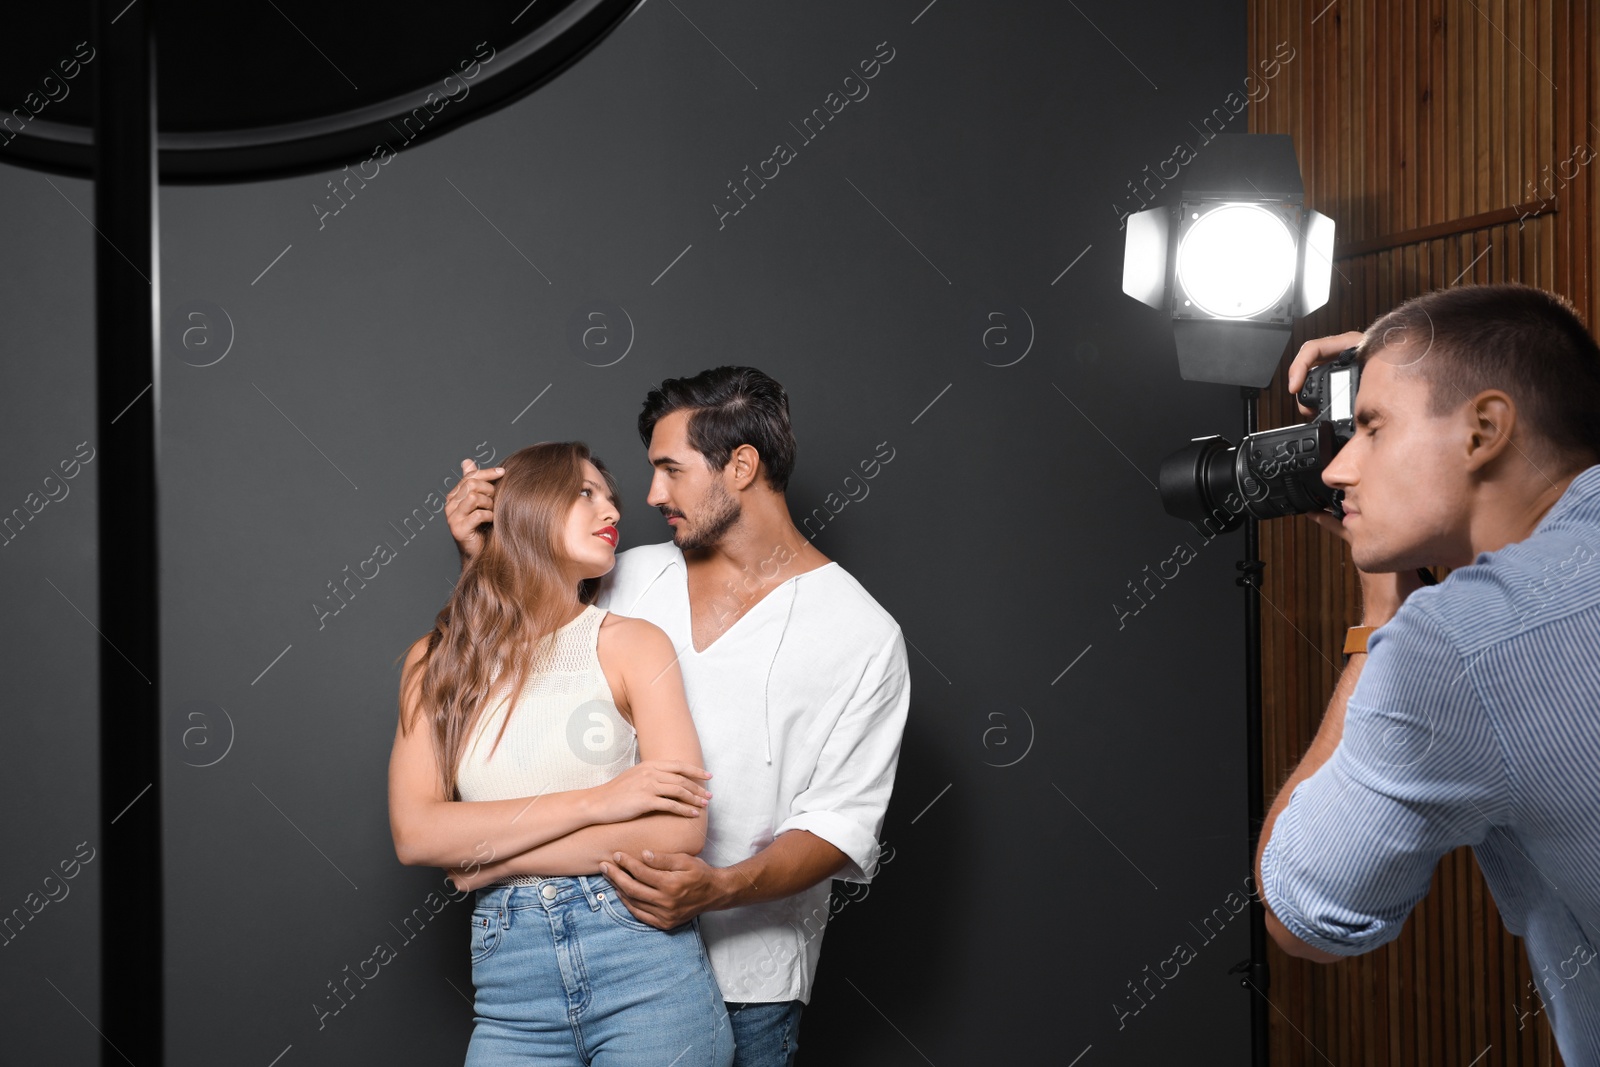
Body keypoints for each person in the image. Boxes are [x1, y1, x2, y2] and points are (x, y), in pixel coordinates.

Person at [444, 367, 911, 1067]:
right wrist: (483, 549)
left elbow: (841, 824)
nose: (651, 494)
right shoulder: (622, 576)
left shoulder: (862, 634)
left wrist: (718, 886)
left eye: (670, 469)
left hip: (748, 974)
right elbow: (520, 659)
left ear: (743, 465)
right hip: (598, 945)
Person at [1254, 283, 1600, 1060]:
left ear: (1485, 427)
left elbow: (1302, 913)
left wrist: (1383, 617)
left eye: (1371, 428)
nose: (1339, 468)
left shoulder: (1460, 640)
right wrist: (1401, 366)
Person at [388, 441, 735, 1067]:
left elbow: (681, 829)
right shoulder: (438, 661)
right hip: (510, 991)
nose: (612, 508)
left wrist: (491, 861)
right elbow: (417, 833)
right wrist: (601, 802)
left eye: (612, 497)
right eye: (585, 492)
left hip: (644, 968)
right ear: (525, 508)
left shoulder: (633, 645)